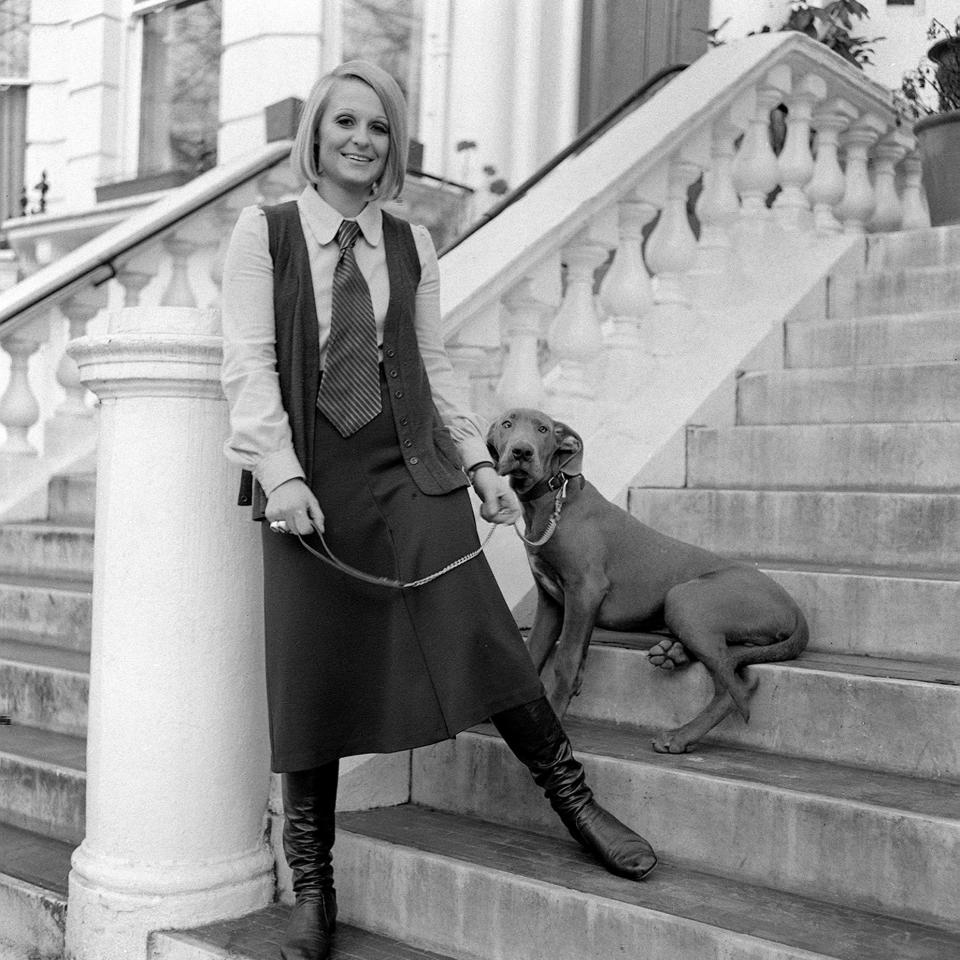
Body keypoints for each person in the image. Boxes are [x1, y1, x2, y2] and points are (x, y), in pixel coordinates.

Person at [220, 59, 657, 960]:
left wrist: (479, 464)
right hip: (314, 478)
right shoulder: (262, 236)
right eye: (344, 122)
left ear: (392, 143)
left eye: (378, 127)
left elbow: (433, 365)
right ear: (316, 133)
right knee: (313, 672)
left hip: (411, 466)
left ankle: (574, 800)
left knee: (481, 631)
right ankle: (312, 888)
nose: (360, 139)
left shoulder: (410, 244)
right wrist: (283, 474)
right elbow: (248, 367)